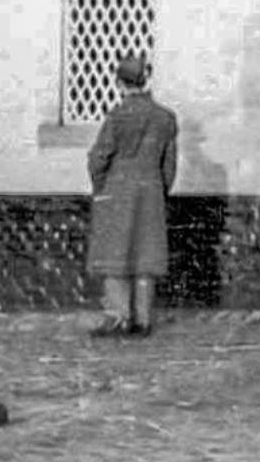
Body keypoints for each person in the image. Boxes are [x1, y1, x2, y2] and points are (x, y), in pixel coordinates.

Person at [85, 54, 178, 338]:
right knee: (145, 257)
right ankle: (143, 319)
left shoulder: (116, 117)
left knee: (115, 255)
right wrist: (160, 190)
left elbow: (98, 157)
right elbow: (170, 164)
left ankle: (118, 316)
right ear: (145, 79)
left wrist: (101, 187)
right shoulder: (165, 118)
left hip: (117, 189)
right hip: (150, 191)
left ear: (119, 82)